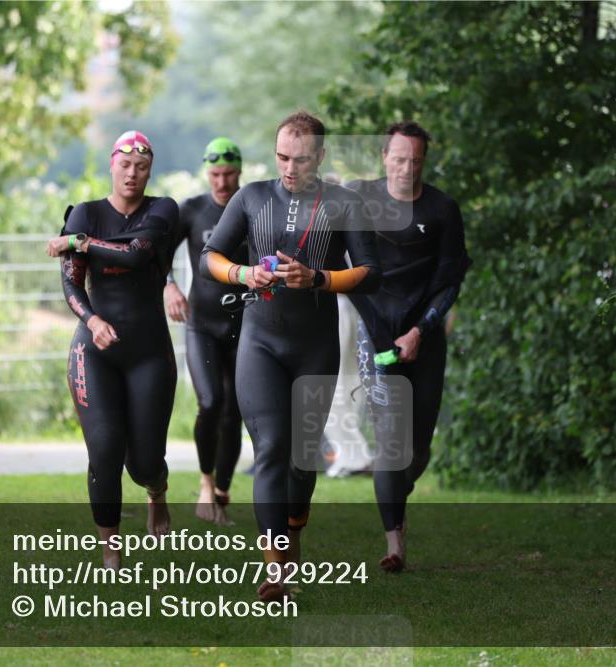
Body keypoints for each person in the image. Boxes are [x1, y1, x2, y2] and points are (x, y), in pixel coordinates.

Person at [200, 112, 381, 600]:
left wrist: (319, 278)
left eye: (300, 159)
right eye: (281, 156)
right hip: (260, 341)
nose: (289, 167)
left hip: (314, 346)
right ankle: (274, 566)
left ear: (319, 157)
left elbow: (367, 269)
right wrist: (242, 275)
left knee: (303, 462)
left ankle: (294, 531)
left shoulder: (342, 202)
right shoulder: (252, 197)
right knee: (272, 449)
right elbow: (211, 256)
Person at [46, 130, 178, 569]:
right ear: (111, 165)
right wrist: (92, 319)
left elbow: (137, 254)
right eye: (125, 165)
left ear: (149, 170)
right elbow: (70, 281)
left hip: (148, 351)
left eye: (141, 167)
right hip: (94, 347)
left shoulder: (162, 210)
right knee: (103, 449)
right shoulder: (85, 212)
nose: (132, 174)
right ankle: (111, 547)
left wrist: (78, 241)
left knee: (143, 462)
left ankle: (156, 491)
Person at [347, 121, 471, 572]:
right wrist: (382, 335)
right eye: (399, 159)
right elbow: (349, 273)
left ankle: (400, 492)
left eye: (415, 161)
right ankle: (394, 542)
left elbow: (451, 281)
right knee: (390, 442)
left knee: (416, 451)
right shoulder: (360, 200)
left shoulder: (442, 209)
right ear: (384, 156)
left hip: (424, 336)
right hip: (376, 334)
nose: (406, 168)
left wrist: (420, 331)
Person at [164, 137, 248, 526]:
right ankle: (204, 481)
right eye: (215, 174)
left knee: (235, 412)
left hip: (245, 324)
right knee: (211, 402)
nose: (222, 182)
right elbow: (159, 253)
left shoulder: (253, 206)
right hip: (203, 324)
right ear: (206, 172)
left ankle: (221, 493)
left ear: (240, 172)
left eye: (229, 174)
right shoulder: (193, 209)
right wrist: (169, 285)